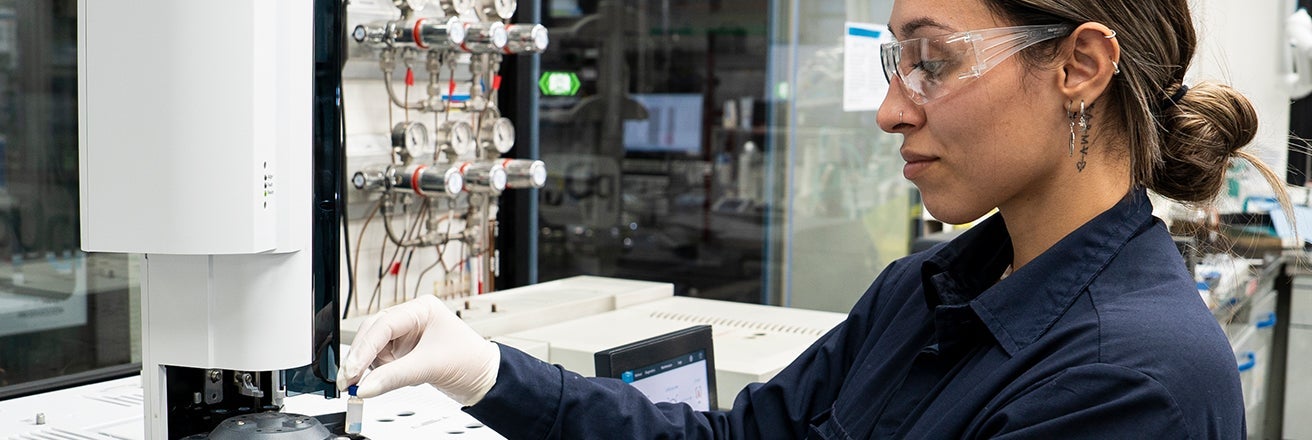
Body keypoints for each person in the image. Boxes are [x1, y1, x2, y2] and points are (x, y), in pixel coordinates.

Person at [339, 0, 1286, 437]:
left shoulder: (1133, 381)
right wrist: (486, 370)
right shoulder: (927, 292)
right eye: (893, 61)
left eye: (935, 60)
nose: (891, 109)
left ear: (1079, 66)